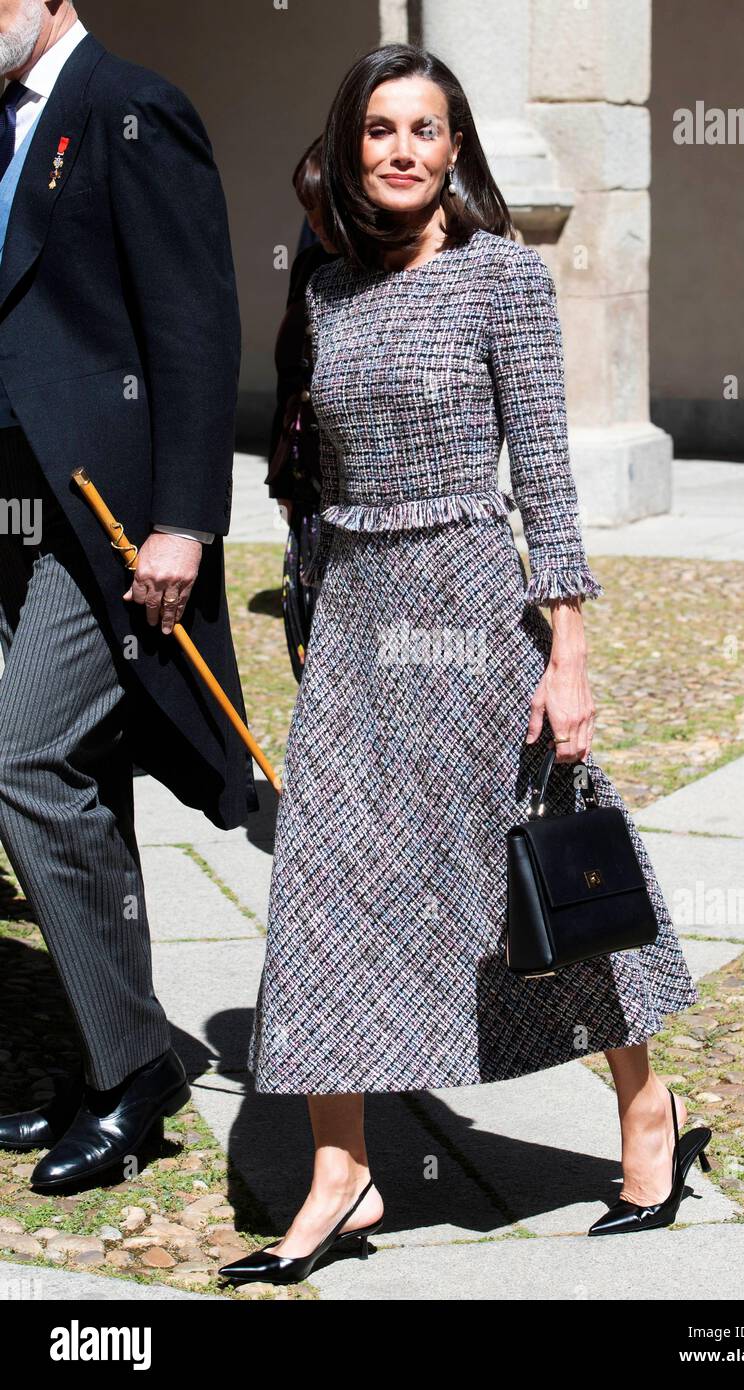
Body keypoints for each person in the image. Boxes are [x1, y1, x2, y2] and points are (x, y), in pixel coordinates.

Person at [224, 43, 706, 1287]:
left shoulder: (502, 278)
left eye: (425, 130)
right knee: (323, 891)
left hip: (476, 607)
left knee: (539, 877)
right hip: (358, 624)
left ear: (455, 150)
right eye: (379, 128)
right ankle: (347, 1171)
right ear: (348, 145)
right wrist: (312, 610)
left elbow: (543, 476)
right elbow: (307, 472)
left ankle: (642, 1110)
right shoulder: (326, 289)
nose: (400, 149)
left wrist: (571, 654)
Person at [0, 1, 256, 1192]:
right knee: (82, 778)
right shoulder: (5, 129)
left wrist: (186, 521)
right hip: (14, 516)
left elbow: (197, 325)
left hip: (105, 526)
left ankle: (139, 1067)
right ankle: (116, 1054)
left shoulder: (132, 107)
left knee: (26, 763)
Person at [266, 136, 340, 681]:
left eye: (323, 212)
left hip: (357, 497)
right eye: (306, 212)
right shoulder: (311, 264)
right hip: (307, 483)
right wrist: (285, 484)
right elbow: (288, 379)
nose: (312, 224)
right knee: (311, 655)